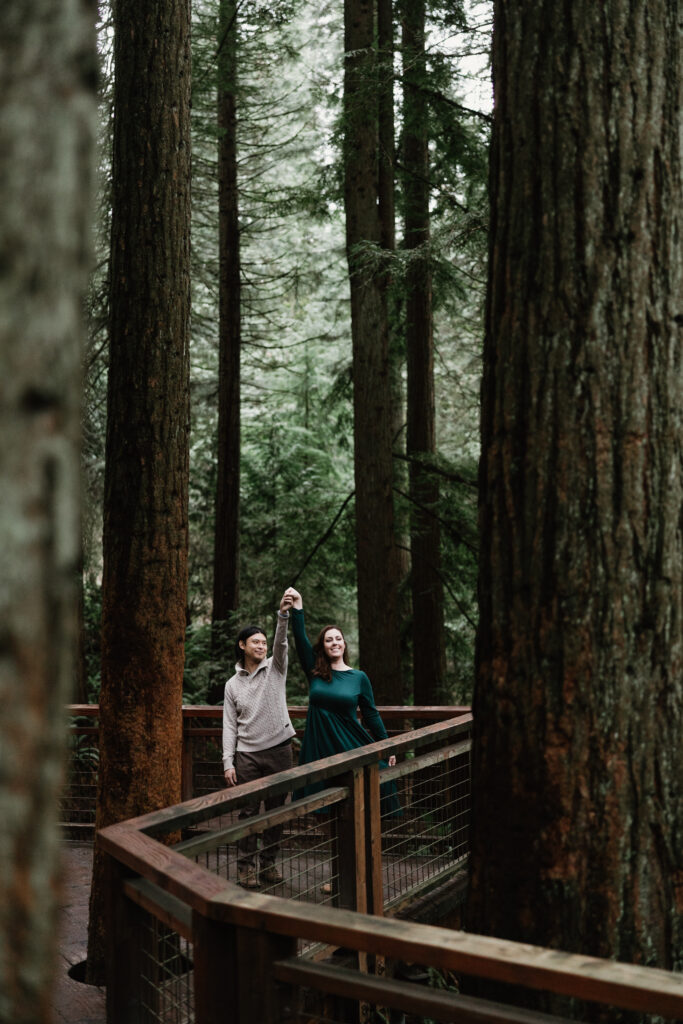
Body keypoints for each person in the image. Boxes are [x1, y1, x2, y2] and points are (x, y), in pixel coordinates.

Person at [284, 587, 399, 800]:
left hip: (349, 744)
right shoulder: (316, 672)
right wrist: (298, 606)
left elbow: (371, 714)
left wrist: (387, 746)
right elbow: (300, 639)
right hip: (319, 746)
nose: (334, 642)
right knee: (319, 801)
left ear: (344, 644)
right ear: (324, 647)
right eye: (329, 640)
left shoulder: (359, 677)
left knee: (363, 793)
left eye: (338, 639)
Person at [222, 591, 296, 889]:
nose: (262, 646)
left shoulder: (275, 669)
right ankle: (245, 868)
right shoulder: (232, 684)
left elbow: (281, 642)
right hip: (247, 755)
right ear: (242, 645)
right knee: (248, 812)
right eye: (256, 642)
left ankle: (268, 864)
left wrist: (282, 615)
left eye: (264, 642)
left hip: (279, 750)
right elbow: (229, 725)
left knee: (277, 811)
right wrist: (228, 761)